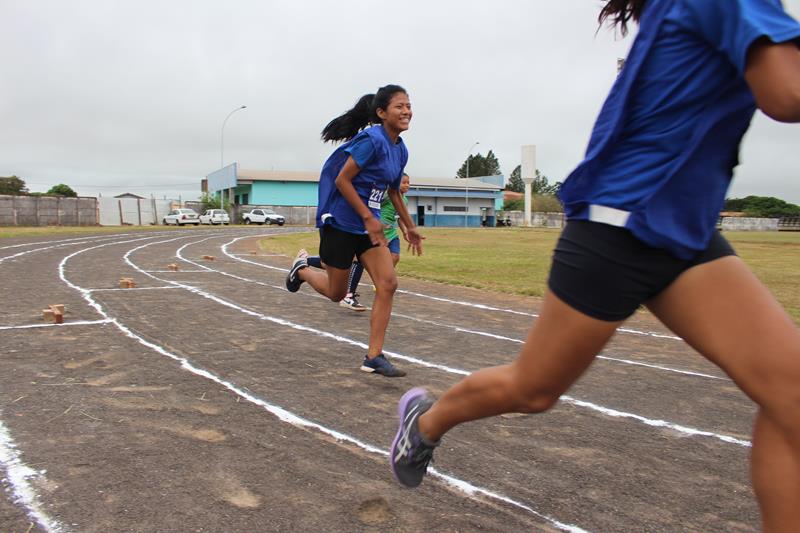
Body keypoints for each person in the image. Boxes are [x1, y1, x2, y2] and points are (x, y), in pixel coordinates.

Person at [389, 1, 800, 530]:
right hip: (617, 227)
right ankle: (425, 423)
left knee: (789, 394)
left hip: (685, 232)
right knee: (533, 390)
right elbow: (785, 95)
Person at [285, 84, 424, 377]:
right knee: (337, 293)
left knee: (388, 284)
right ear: (381, 112)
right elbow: (342, 180)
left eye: (408, 105)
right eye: (399, 106)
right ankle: (303, 270)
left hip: (367, 227)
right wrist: (367, 217)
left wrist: (410, 226)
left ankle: (374, 356)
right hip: (342, 221)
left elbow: (394, 191)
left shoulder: (401, 150)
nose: (407, 111)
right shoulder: (371, 140)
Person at [340, 173, 413, 311]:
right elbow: (373, 205)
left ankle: (380, 280)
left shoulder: (405, 200)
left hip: (391, 233)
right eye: (404, 182)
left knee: (395, 257)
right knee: (342, 263)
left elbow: (399, 217)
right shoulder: (386, 195)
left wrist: (405, 231)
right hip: (377, 233)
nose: (407, 185)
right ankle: (349, 294)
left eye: (408, 182)